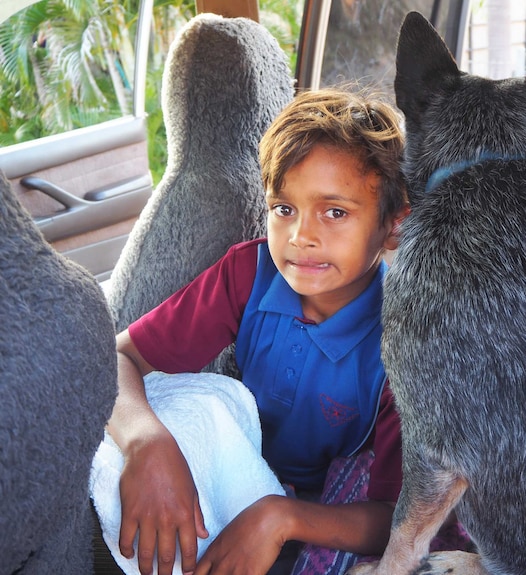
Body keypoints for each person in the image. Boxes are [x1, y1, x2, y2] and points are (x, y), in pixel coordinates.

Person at [105, 88, 409, 575]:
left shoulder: (405, 339)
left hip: (320, 510)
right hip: (226, 471)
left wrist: (279, 517)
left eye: (335, 212)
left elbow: (397, 518)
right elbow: (118, 359)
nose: (300, 237)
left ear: (393, 226)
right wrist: (148, 443)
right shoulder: (249, 273)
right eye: (284, 209)